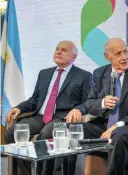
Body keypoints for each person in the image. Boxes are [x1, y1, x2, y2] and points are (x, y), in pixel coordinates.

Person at [56, 38, 128, 175]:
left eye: (125, 52)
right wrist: (102, 103)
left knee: (118, 136)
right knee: (68, 130)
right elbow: (90, 103)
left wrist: (118, 125)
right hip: (103, 125)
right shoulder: (99, 73)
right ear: (107, 57)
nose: (124, 57)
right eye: (118, 54)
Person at [5, 40, 92, 175]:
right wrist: (20, 108)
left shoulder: (84, 76)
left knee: (45, 135)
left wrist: (78, 109)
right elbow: (34, 99)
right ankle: (30, 172)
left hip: (62, 118)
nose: (58, 52)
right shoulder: (44, 73)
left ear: (74, 57)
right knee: (11, 133)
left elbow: (88, 101)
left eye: (63, 50)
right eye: (57, 49)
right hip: (39, 117)